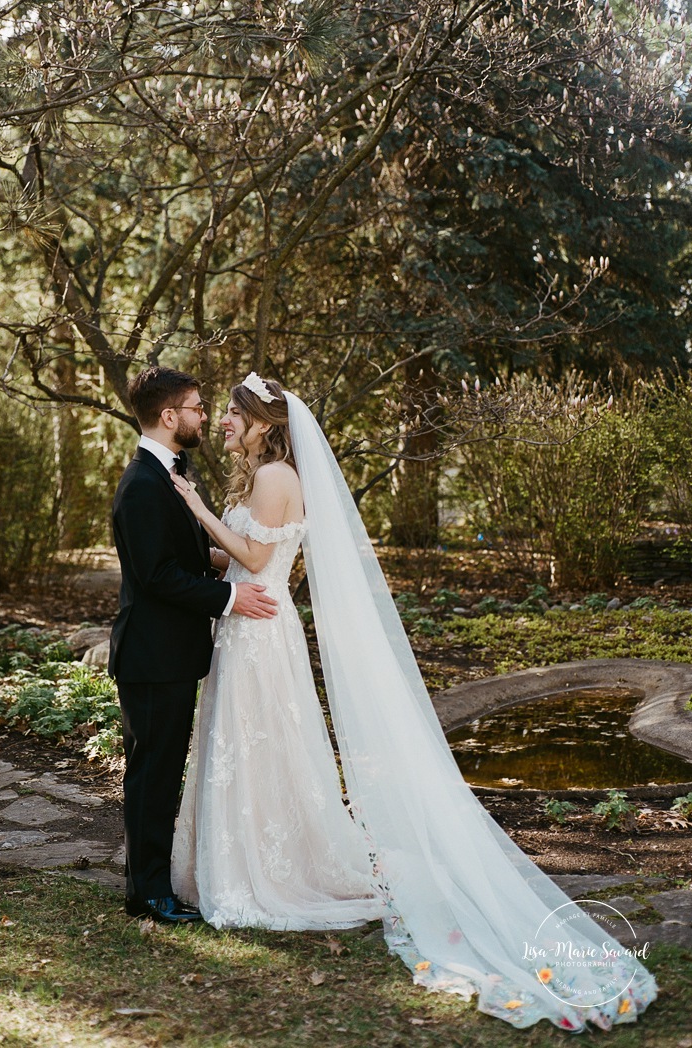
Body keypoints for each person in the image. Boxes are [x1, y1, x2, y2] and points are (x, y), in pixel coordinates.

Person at [170, 373, 658, 1032]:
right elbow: (243, 560)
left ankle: (267, 873)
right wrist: (182, 541)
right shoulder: (263, 477)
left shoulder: (277, 477)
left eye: (231, 414)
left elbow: (256, 554)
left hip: (260, 634)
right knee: (247, 749)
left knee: (257, 745)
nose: (223, 423)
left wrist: (196, 509)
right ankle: (243, 859)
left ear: (261, 422)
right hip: (248, 624)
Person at [108, 366, 278, 924]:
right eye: (197, 407)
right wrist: (230, 600)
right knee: (153, 774)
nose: (206, 416)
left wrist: (226, 565)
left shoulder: (170, 474)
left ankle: (149, 882)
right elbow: (157, 576)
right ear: (168, 416)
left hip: (169, 655)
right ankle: (149, 893)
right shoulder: (141, 485)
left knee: (158, 770)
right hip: (152, 657)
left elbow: (179, 556)